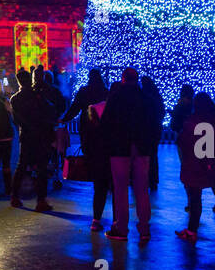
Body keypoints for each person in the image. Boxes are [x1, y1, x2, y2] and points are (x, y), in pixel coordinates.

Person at [102, 67, 159, 242]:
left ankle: (121, 228)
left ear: (123, 79)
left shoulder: (116, 98)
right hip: (141, 150)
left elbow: (106, 122)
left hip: (120, 149)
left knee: (120, 189)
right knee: (142, 189)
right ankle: (144, 228)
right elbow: (154, 124)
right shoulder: (146, 99)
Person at [175, 92, 215, 241]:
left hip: (196, 165)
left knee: (195, 198)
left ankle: (192, 231)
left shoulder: (192, 122)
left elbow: (183, 142)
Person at [65, 69, 111, 229]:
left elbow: (74, 109)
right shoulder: (106, 92)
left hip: (88, 135)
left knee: (93, 167)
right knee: (103, 178)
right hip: (105, 138)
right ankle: (100, 214)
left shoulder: (84, 92)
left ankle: (94, 177)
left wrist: (63, 119)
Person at [11, 67, 59, 212]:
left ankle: (14, 197)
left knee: (21, 166)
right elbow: (49, 109)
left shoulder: (15, 99)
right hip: (40, 135)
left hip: (26, 136)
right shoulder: (36, 95)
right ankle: (41, 200)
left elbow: (16, 120)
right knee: (41, 168)